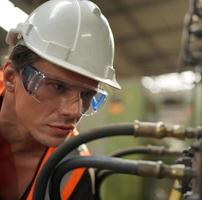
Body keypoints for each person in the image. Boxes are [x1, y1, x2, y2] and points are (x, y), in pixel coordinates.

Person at [0, 0, 120, 199]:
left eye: (87, 94)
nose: (74, 111)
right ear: (12, 77)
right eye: (57, 87)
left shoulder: (74, 174)